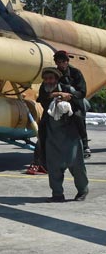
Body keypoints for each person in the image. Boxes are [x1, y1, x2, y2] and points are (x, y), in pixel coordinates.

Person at [37, 67, 89, 202]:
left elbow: (80, 99)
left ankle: (82, 190)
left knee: (76, 165)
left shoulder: (67, 88)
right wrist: (54, 95)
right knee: (53, 167)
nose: (48, 81)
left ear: (56, 79)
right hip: (52, 135)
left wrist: (69, 97)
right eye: (46, 79)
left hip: (70, 134)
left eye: (51, 78)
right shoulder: (44, 89)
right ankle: (57, 194)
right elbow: (41, 99)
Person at [53, 50, 90, 158]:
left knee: (78, 117)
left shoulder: (76, 73)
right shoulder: (53, 74)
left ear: (67, 61)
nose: (61, 64)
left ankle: (85, 145)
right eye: (58, 62)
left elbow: (82, 92)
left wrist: (70, 96)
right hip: (58, 102)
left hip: (75, 102)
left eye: (63, 61)